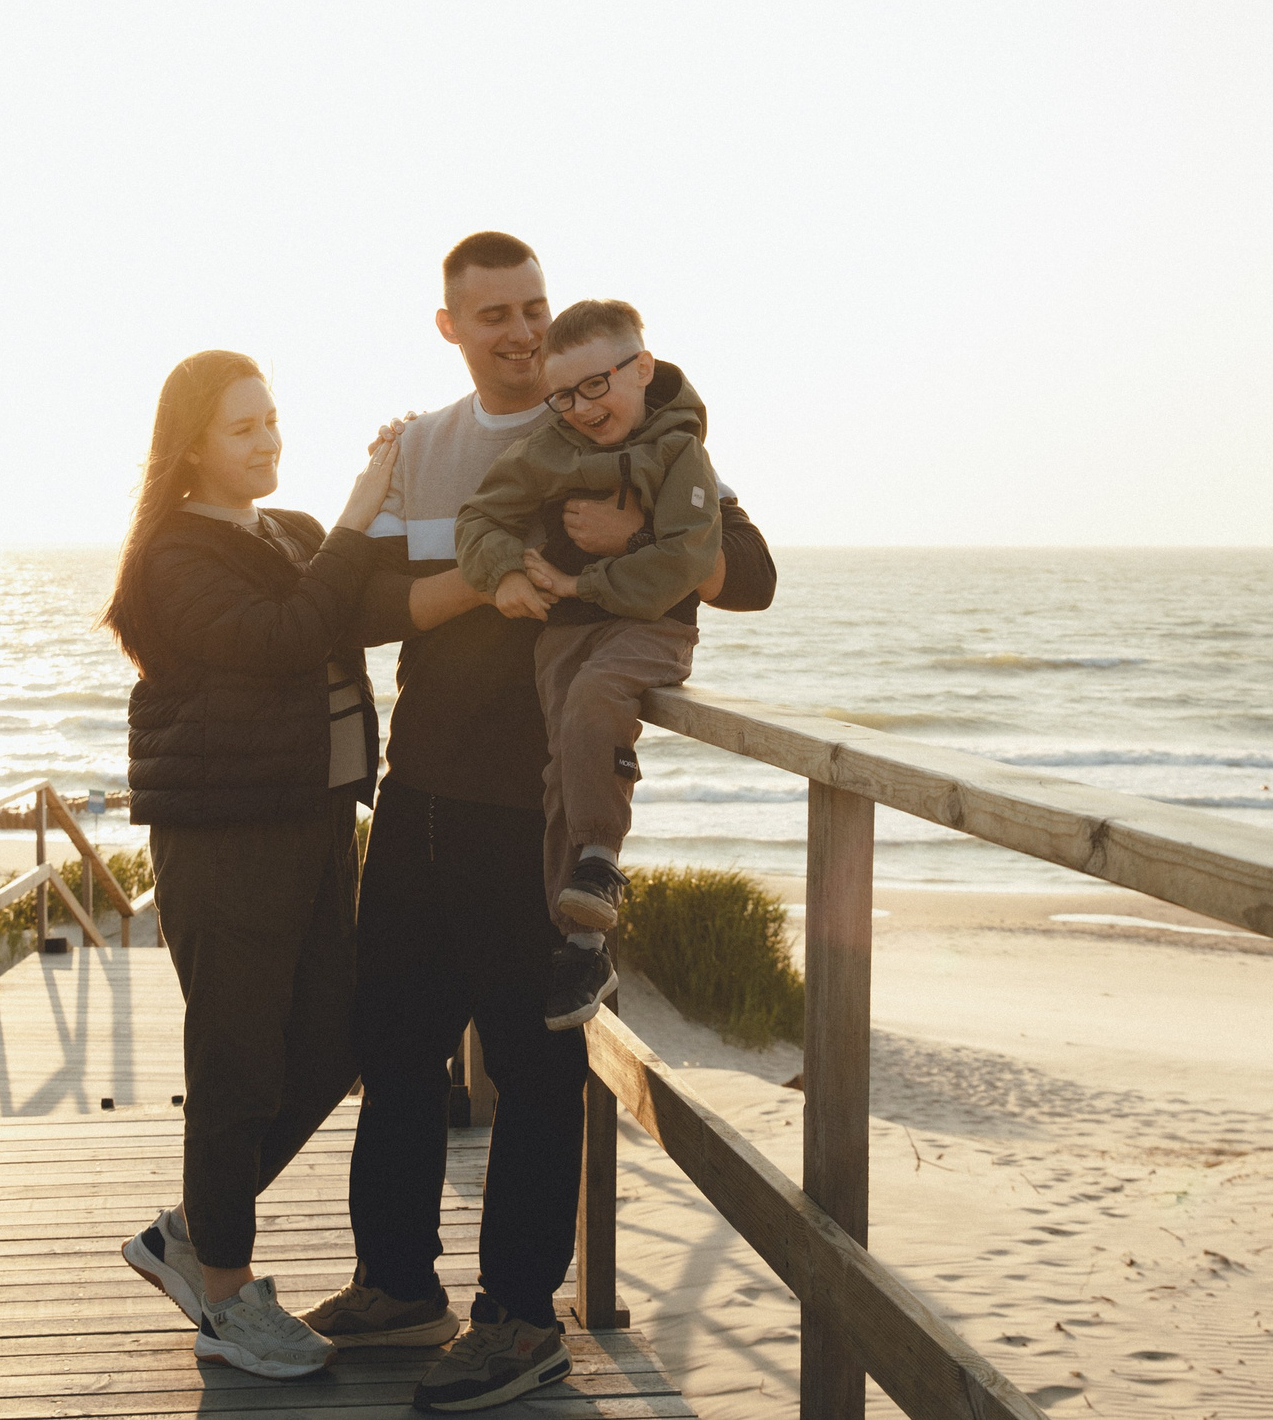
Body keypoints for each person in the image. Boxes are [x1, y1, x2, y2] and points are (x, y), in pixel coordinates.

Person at [300, 233, 777, 1413]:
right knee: (394, 1043)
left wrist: (613, 540)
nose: (517, 331)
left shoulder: (624, 422)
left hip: (531, 804)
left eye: (532, 308)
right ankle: (397, 1283)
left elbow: (750, 570)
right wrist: (490, 572)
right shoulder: (423, 444)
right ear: (449, 325)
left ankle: (519, 1318)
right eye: (492, 313)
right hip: (415, 791)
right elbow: (355, 602)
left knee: (532, 1061)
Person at [103, 349, 400, 1381]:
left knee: (331, 1038)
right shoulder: (173, 556)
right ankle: (223, 1289)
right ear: (192, 445)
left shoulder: (293, 533)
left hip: (317, 821)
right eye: (243, 426)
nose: (268, 438)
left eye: (272, 419)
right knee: (236, 1058)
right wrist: (363, 513)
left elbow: (362, 606)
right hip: (225, 834)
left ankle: (188, 1229)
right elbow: (283, 636)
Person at [454, 298, 721, 1030]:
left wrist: (584, 580)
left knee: (595, 702)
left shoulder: (681, 449)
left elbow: (690, 560)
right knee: (561, 771)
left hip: (649, 626)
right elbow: (479, 518)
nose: (580, 409)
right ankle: (580, 945)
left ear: (641, 368)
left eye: (595, 387)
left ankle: (601, 861)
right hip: (565, 633)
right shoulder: (551, 447)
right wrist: (504, 572)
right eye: (563, 395)